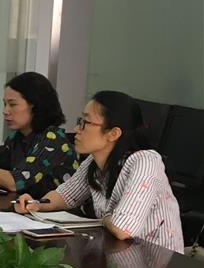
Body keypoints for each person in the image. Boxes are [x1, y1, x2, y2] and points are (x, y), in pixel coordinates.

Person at [15, 91, 184, 252]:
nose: (76, 129)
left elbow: (122, 229)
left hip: (156, 260)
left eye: (85, 123)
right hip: (117, 252)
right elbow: (65, 196)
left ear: (113, 133)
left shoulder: (145, 162)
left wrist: (104, 219)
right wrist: (36, 204)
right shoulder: (94, 161)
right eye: (80, 121)